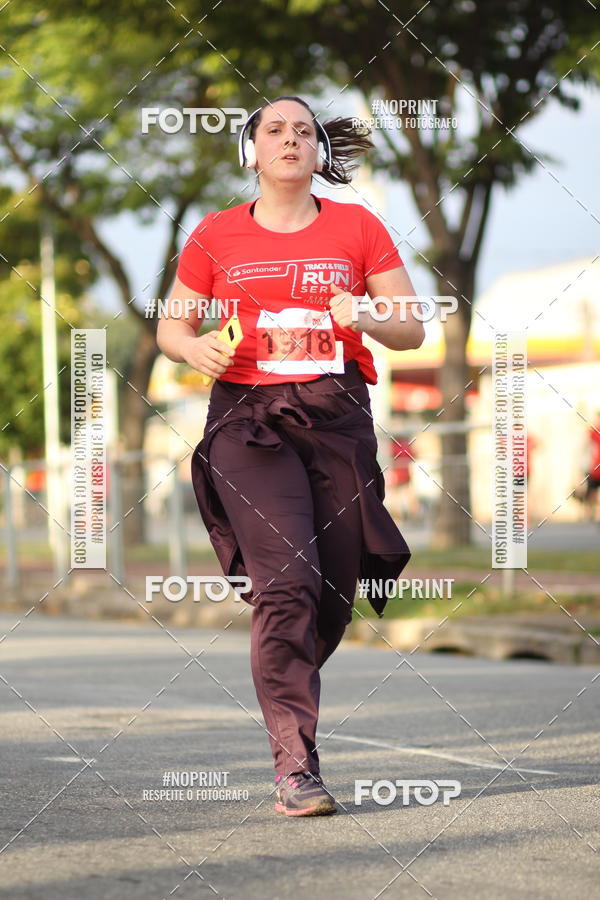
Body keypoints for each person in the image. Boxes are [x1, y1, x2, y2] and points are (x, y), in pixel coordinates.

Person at [157, 95, 424, 817]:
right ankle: (296, 765)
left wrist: (364, 313)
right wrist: (192, 346)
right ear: (251, 149)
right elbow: (173, 326)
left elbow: (413, 329)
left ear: (318, 152)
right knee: (287, 585)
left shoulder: (358, 225)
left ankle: (285, 675)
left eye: (304, 131)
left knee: (331, 593)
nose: (290, 139)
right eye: (274, 129)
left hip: (335, 414)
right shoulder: (214, 234)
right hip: (248, 421)